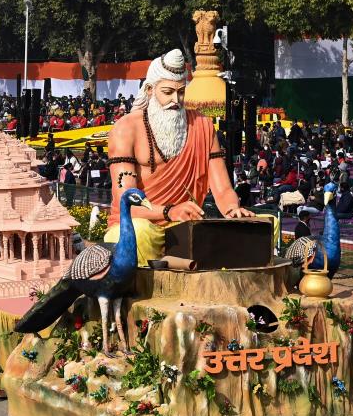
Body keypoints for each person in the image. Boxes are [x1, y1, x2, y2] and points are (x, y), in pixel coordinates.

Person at [105, 49, 254, 265]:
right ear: (149, 90)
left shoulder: (202, 125)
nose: (176, 100)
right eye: (167, 92)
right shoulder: (126, 129)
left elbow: (222, 188)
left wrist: (233, 211)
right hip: (140, 223)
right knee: (137, 233)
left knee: (262, 225)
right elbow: (125, 201)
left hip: (185, 225)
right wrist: (168, 211)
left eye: (181, 92)